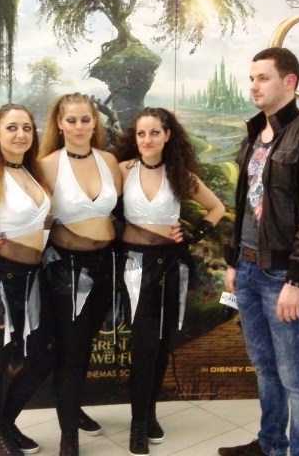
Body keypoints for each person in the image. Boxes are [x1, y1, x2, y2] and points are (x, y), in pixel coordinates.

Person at [220, 47, 299, 456]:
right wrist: (234, 261)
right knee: (265, 367)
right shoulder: (256, 132)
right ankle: (270, 444)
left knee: (296, 377)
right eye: (251, 78)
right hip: (248, 269)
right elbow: (244, 203)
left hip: (282, 275)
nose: (253, 86)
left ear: (289, 82)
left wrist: (296, 280)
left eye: (263, 78)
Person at [114, 106, 225, 456]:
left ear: (167, 136)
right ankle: (137, 425)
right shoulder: (122, 170)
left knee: (162, 344)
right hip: (134, 265)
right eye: (141, 133)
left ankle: (149, 413)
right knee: (143, 344)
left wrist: (194, 233)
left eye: (154, 133)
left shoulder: (180, 174)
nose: (147, 140)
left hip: (171, 265)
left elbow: (217, 208)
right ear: (135, 138)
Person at [37, 92, 122, 456]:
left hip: (106, 267)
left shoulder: (109, 161)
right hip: (66, 270)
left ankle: (72, 410)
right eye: (71, 120)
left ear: (94, 122)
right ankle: (68, 437)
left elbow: (123, 210)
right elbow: (35, 218)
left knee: (84, 346)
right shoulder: (46, 165)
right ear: (59, 123)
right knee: (70, 351)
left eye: (85, 119)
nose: (78, 127)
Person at [0, 103, 55, 456]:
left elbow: (42, 222)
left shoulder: (32, 174)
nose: (21, 134)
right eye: (12, 128)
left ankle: (6, 422)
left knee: (42, 358)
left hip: (33, 280)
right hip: (0, 279)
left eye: (27, 128)